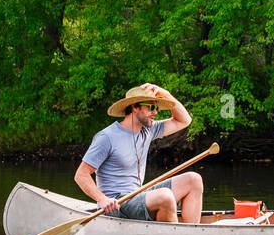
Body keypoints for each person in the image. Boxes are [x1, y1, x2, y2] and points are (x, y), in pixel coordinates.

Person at [73, 83, 204, 222]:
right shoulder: (107, 137)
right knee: (165, 196)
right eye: (151, 107)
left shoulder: (148, 130)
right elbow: (81, 175)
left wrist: (165, 93)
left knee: (194, 179)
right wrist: (102, 199)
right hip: (117, 203)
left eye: (157, 108)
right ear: (135, 107)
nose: (156, 112)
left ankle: (192, 234)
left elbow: (185, 120)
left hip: (138, 195)